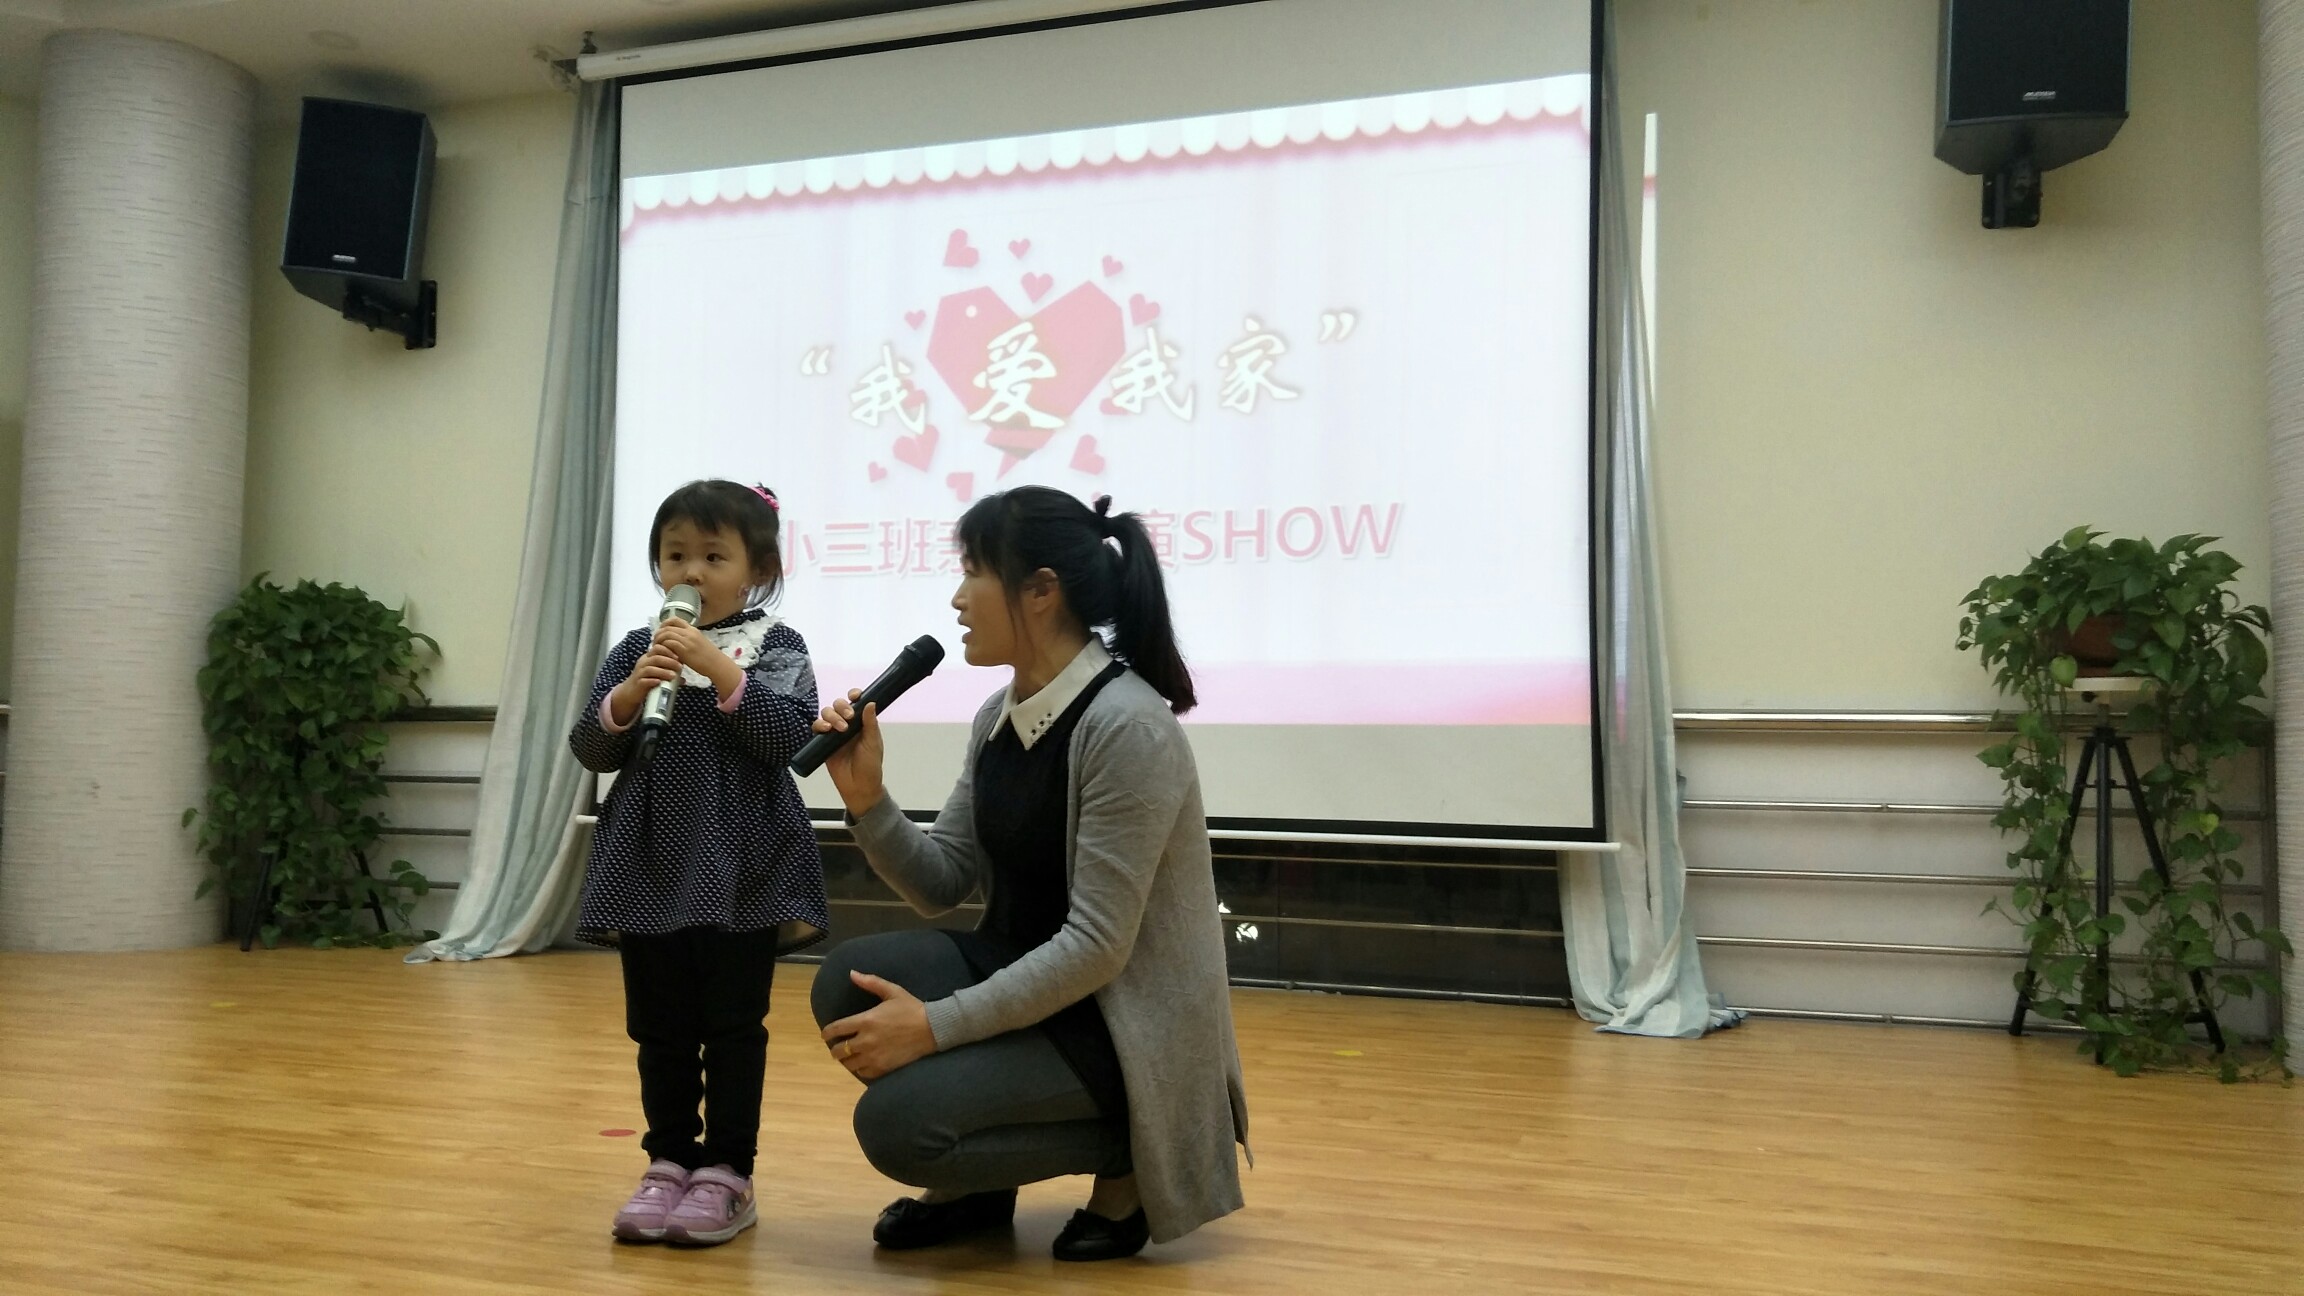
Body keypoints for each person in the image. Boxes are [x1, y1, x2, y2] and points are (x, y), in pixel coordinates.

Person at [809, 485, 1249, 1263]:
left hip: (1119, 1025)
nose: (958, 597)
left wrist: (934, 1027)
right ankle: (980, 1189)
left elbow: (1097, 948)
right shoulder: (1001, 714)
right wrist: (869, 801)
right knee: (847, 983)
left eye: (974, 572)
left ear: (1042, 591)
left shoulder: (1127, 726)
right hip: (1031, 983)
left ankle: (1136, 1149)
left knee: (899, 1127)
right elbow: (943, 881)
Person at [568, 479, 828, 1247]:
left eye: (714, 557)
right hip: (649, 862)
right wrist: (628, 696)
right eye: (675, 554)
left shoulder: (777, 645)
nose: (691, 571)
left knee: (734, 1025)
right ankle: (668, 1162)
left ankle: (728, 1173)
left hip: (742, 866)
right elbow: (591, 747)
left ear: (758, 571)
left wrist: (719, 669)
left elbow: (787, 739)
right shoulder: (638, 647)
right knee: (660, 1028)